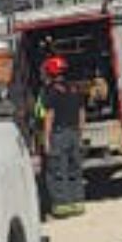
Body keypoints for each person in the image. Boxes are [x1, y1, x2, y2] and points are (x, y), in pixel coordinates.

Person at [41, 54, 86, 218]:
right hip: (74, 133)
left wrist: (46, 139)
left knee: (57, 170)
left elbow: (49, 115)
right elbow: (81, 112)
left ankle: (62, 206)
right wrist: (80, 133)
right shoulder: (74, 88)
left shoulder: (51, 91)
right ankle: (77, 203)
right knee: (75, 169)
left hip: (58, 134)